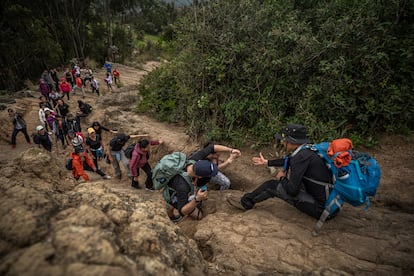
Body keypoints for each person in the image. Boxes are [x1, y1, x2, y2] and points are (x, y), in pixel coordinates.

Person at [227, 124, 336, 220]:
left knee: (272, 186)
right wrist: (268, 162)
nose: (282, 142)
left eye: (284, 140)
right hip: (333, 203)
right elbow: (290, 161)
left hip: (321, 210)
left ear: (291, 141)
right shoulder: (309, 150)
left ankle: (245, 202)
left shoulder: (300, 157)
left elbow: (292, 190)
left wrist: (281, 178)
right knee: (294, 180)